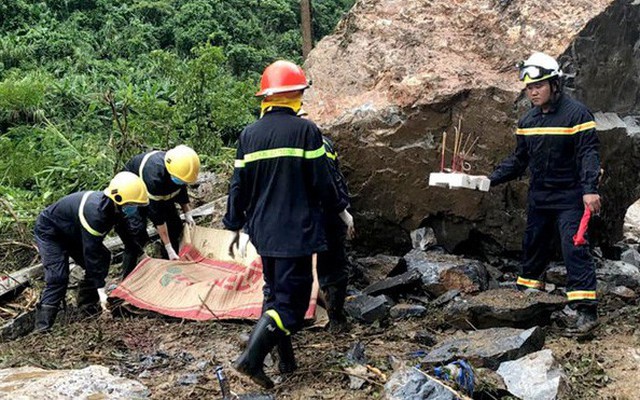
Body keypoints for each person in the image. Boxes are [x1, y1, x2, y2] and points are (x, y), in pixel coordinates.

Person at [223, 60, 353, 389]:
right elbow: (323, 182)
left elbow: (238, 186)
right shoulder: (306, 131)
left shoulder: (248, 135)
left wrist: (234, 224)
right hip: (296, 234)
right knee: (292, 309)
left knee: (274, 294)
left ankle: (286, 362)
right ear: (295, 95)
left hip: (263, 233)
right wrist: (341, 210)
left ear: (266, 97)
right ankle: (250, 361)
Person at [488, 52, 601, 337]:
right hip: (540, 196)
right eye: (529, 88)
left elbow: (589, 154)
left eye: (538, 86)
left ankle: (585, 312)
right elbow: (519, 159)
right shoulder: (528, 121)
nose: (533, 92)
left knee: (574, 248)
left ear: (554, 84)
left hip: (571, 197)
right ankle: (528, 301)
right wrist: (489, 180)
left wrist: (590, 191)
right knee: (533, 245)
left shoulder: (577, 115)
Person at [34, 172, 149, 332]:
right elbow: (91, 253)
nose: (133, 208)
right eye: (131, 204)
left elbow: (126, 233)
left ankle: (86, 306)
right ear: (119, 199)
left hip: (72, 230)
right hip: (51, 232)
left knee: (104, 257)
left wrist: (140, 253)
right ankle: (42, 328)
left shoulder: (115, 209)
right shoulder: (95, 214)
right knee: (58, 277)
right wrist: (102, 291)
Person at [298, 108, 355, 333]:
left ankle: (303, 318)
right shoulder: (321, 145)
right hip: (322, 216)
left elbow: (334, 180)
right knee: (333, 267)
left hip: (300, 219)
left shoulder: (321, 145)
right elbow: (332, 183)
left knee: (313, 267)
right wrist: (344, 212)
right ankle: (336, 318)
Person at [120, 145, 200, 277]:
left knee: (175, 226)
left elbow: (181, 190)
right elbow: (158, 217)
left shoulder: (179, 171)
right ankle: (128, 278)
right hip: (132, 193)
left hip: (159, 192)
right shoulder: (154, 176)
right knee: (136, 235)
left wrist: (188, 213)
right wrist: (169, 248)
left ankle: (170, 265)